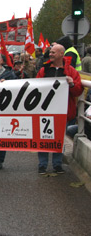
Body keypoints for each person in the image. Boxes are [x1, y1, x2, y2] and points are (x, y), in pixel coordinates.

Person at [36, 44, 83, 174]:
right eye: (50, 52)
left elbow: (78, 91)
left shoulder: (71, 71)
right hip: (45, 111)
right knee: (43, 137)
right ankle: (42, 164)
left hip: (64, 111)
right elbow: (35, 88)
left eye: (53, 52)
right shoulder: (44, 70)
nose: (50, 54)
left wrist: (71, 84)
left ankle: (57, 164)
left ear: (62, 54)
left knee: (59, 138)